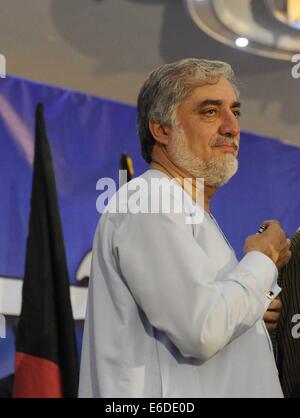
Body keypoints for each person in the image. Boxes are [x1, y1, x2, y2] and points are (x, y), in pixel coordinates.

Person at [79, 58, 291, 398]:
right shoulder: (150, 199)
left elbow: (201, 316)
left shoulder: (186, 210)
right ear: (161, 130)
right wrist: (262, 260)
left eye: (235, 112)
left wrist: (250, 311)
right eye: (210, 112)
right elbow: (201, 330)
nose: (231, 127)